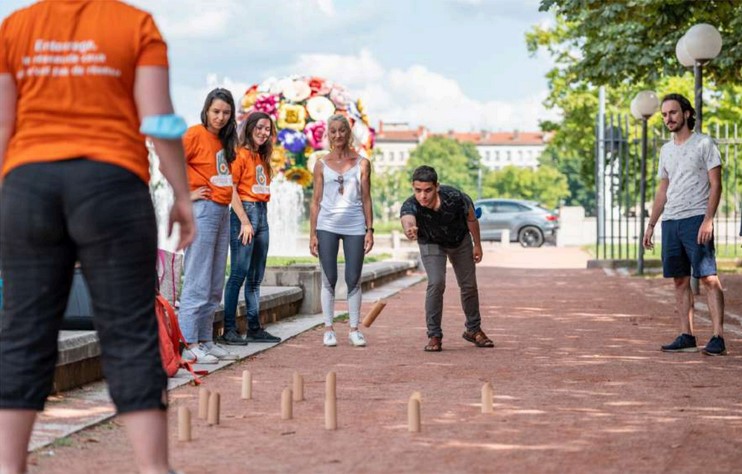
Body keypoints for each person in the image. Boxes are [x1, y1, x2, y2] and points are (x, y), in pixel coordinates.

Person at [0, 1, 195, 473]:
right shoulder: (136, 25)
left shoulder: (15, 28)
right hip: (111, 186)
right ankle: (153, 468)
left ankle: (8, 467)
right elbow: (158, 119)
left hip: (28, 184)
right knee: (129, 330)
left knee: (23, 330)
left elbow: (4, 124)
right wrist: (181, 192)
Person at [643, 93, 726, 356]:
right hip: (671, 221)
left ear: (687, 114)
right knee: (679, 281)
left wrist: (708, 219)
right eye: (665, 114)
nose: (668, 118)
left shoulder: (704, 144)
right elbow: (663, 189)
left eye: (673, 113)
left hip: (696, 219)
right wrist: (651, 224)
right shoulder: (666, 150)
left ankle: (718, 337)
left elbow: (716, 184)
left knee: (708, 277)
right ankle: (686, 335)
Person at [400, 166, 494, 352]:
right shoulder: (410, 204)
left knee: (468, 285)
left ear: (437, 187)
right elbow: (407, 219)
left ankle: (473, 330)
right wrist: (410, 229)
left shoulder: (456, 197)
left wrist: (477, 244)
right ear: (413, 188)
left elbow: (471, 219)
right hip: (431, 242)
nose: (423, 196)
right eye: (418, 190)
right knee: (436, 283)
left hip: (460, 241)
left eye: (428, 190)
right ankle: (434, 335)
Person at [179, 88, 239, 364]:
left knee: (215, 279)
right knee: (198, 278)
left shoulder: (224, 140)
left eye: (226, 113)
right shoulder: (194, 134)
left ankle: (205, 339)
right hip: (202, 210)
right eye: (216, 111)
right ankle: (188, 342)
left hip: (222, 211)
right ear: (206, 110)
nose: (221, 117)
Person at [310, 114, 374, 347]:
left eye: (342, 131)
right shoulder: (320, 164)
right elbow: (315, 201)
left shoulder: (362, 163)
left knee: (353, 278)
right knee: (329, 277)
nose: (338, 135)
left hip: (355, 225)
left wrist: (369, 229)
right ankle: (328, 329)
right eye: (333, 131)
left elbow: (366, 199)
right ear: (328, 134)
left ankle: (354, 329)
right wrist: (312, 234)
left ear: (349, 133)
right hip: (327, 225)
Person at [220, 112, 281, 345]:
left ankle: (254, 328)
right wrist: (245, 221)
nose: (264, 132)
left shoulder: (261, 157)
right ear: (250, 127)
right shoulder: (240, 154)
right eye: (261, 127)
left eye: (268, 129)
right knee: (238, 273)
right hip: (244, 213)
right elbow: (230, 189)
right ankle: (229, 330)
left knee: (256, 277)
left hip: (261, 213)